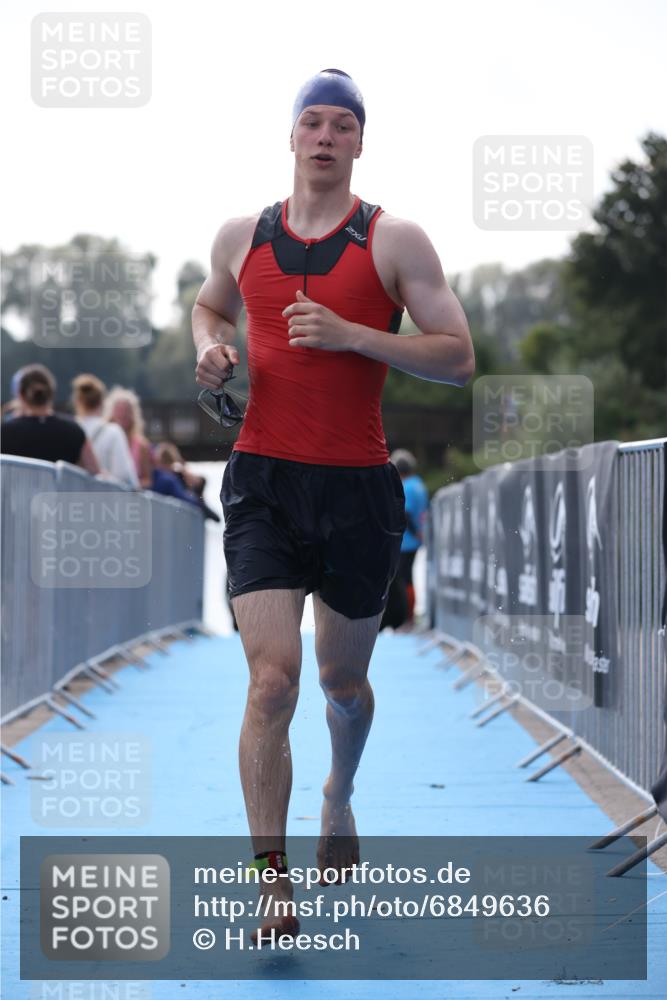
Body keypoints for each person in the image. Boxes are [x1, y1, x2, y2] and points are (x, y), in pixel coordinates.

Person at [192, 68, 474, 939]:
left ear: (358, 142)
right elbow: (208, 309)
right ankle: (270, 884)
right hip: (263, 482)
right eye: (310, 121)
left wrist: (355, 335)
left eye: (340, 124)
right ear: (290, 137)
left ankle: (338, 795)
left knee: (341, 684)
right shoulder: (241, 235)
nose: (324, 136)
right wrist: (211, 350)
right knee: (271, 681)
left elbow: (457, 357)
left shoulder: (394, 240)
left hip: (357, 488)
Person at [1, 364, 100, 474]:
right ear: (52, 392)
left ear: (20, 395)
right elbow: (95, 472)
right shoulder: (74, 430)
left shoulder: (5, 432)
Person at [71, 374, 139, 488]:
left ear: (77, 402)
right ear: (102, 402)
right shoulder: (113, 431)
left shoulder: (69, 430)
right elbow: (125, 476)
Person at [389, 449, 429, 628]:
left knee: (403, 579)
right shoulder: (419, 484)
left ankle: (407, 617)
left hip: (406, 540)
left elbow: (406, 512)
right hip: (414, 540)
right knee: (408, 578)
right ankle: (409, 616)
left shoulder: (406, 486)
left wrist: (414, 532)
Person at [105, 387, 153, 489]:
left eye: (126, 410)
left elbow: (147, 480)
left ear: (133, 414)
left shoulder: (141, 445)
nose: (123, 414)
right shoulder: (105, 441)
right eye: (119, 410)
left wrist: (131, 488)